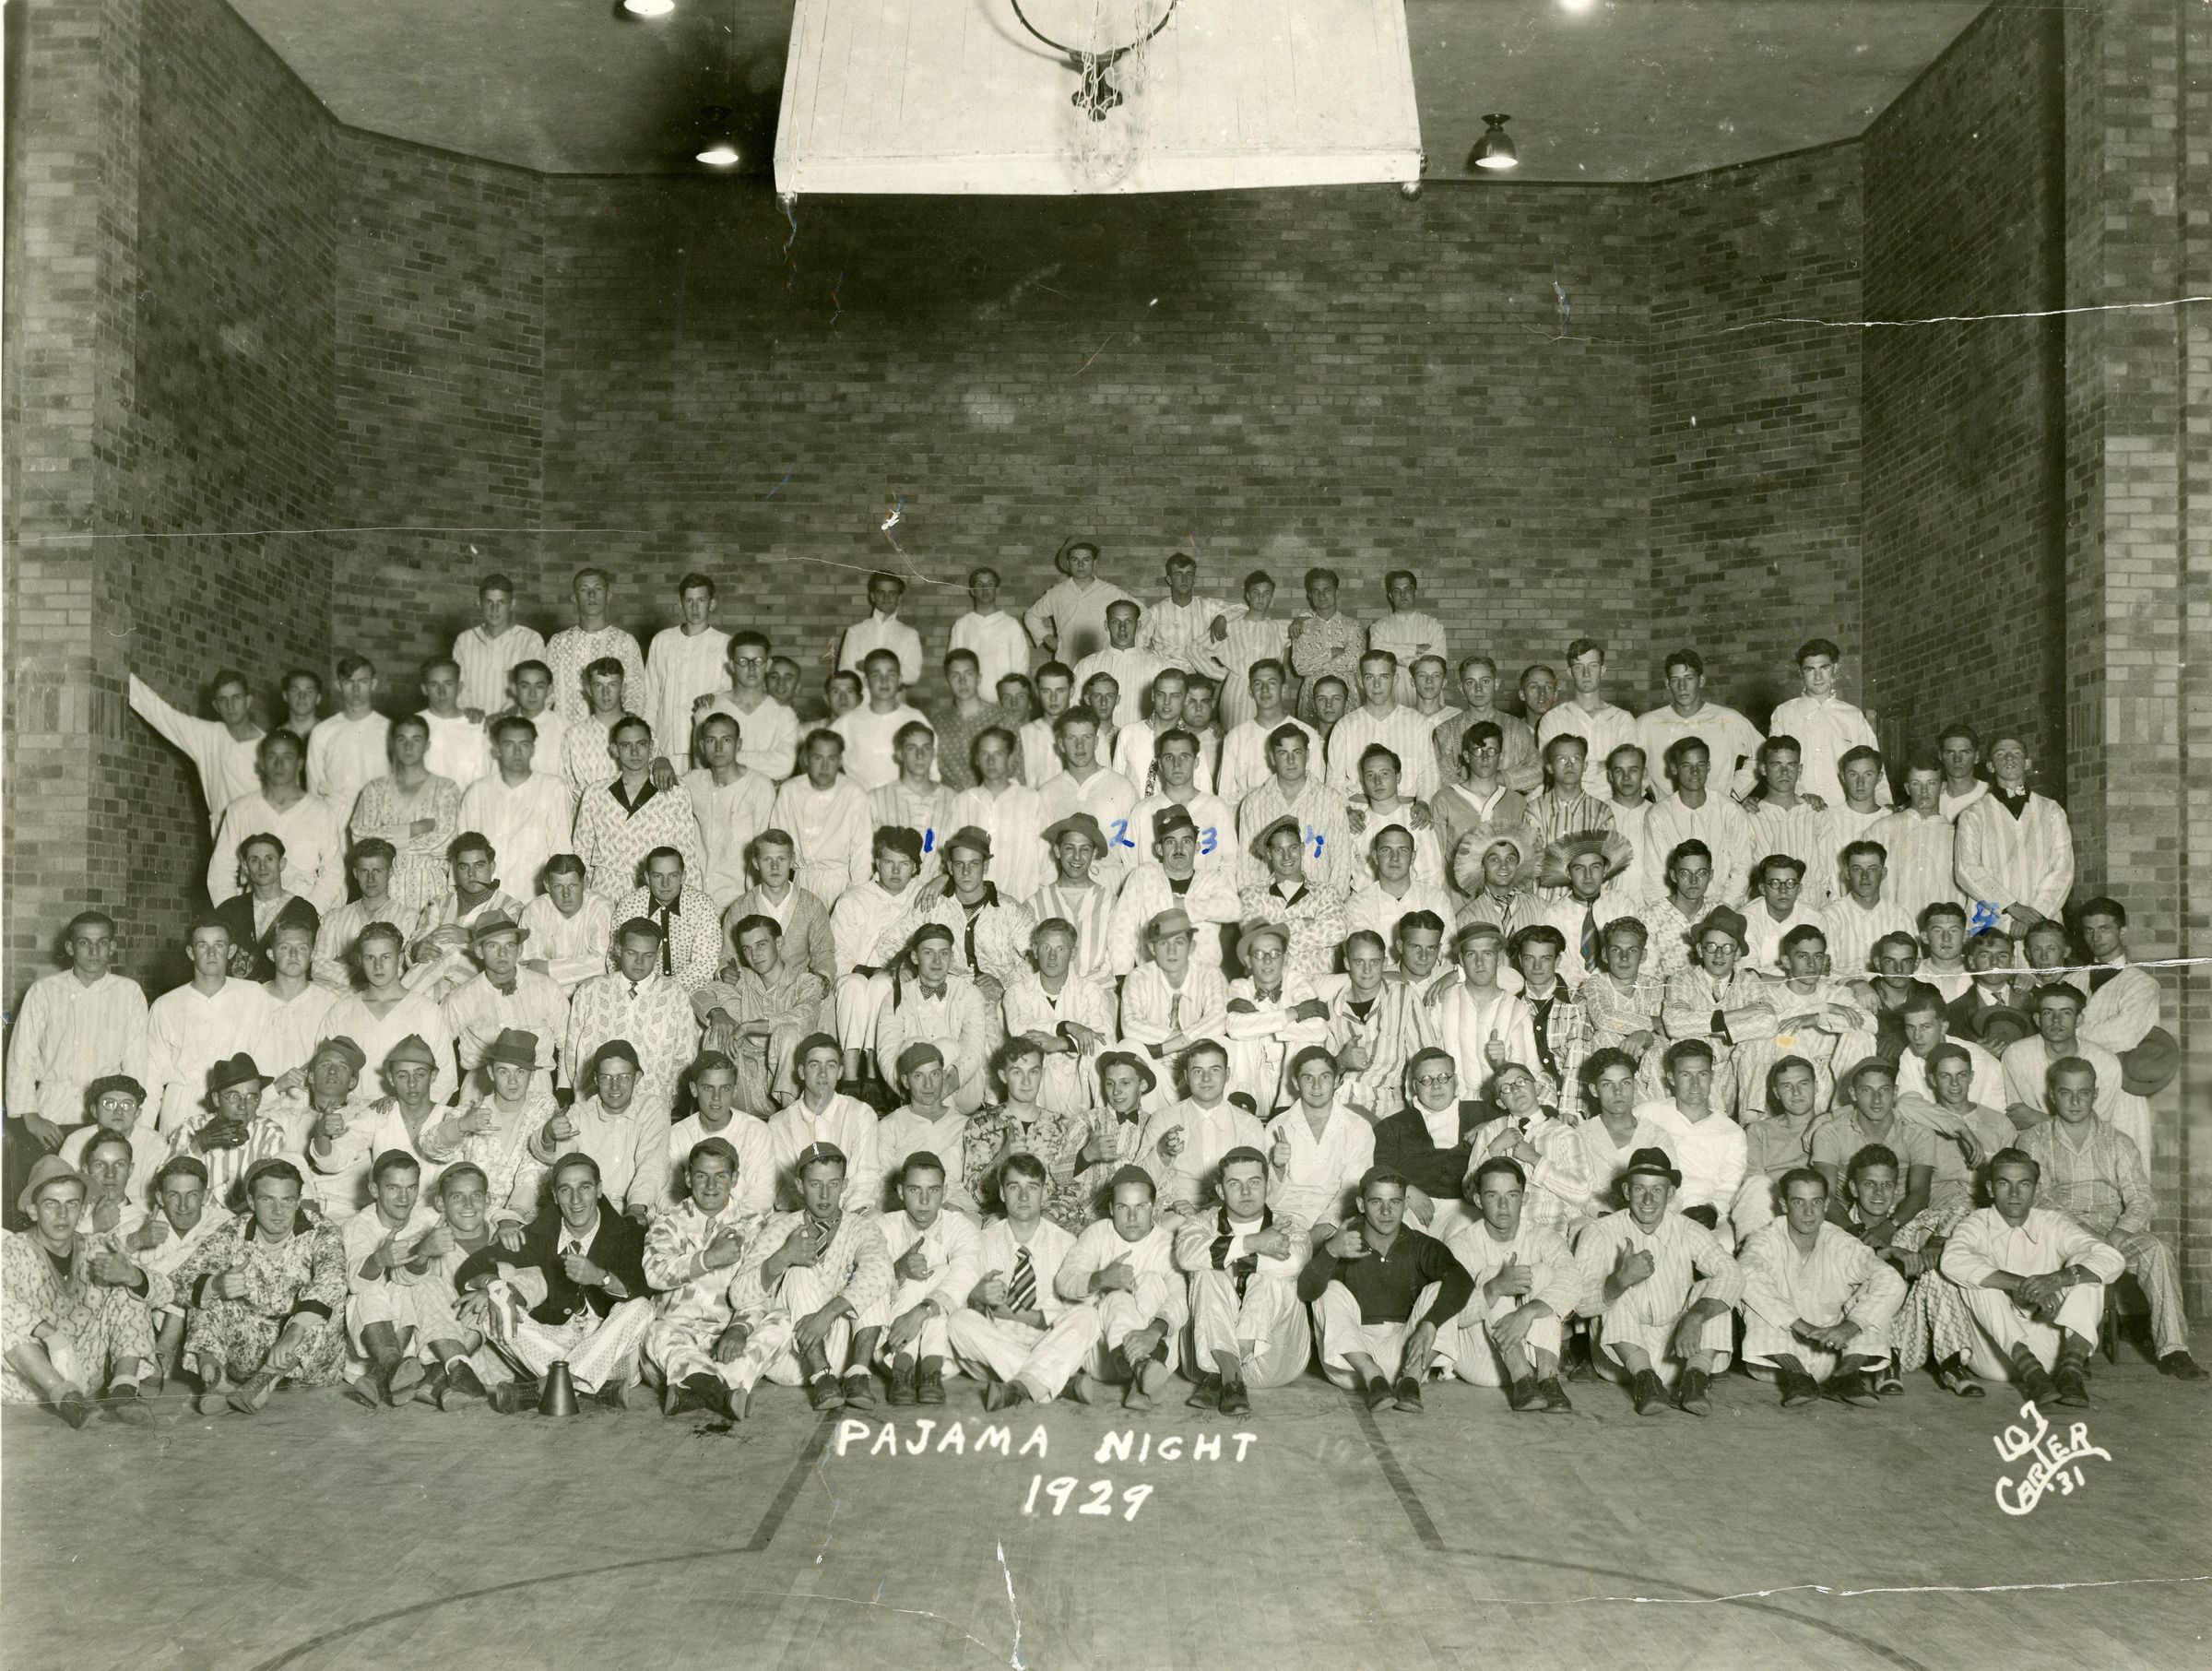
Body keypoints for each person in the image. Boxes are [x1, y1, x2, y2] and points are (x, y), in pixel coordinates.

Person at [2017, 1059, 2198, 1379]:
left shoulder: (2118, 1141)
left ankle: (2174, 1350)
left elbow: (2143, 1197)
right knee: (2070, 1258)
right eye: (2066, 1093)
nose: (2075, 1101)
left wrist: (2115, 1236)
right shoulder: (2033, 1140)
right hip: (2061, 1232)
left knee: (2158, 1250)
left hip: (2112, 1231)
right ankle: (2076, 1351)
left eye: (2084, 1093)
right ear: (2052, 1096)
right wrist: (2085, 1233)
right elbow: (2037, 1197)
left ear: (2096, 1094)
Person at [456, 1151, 657, 1412]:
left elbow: (640, 1289)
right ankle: (587, 1387)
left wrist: (600, 1277)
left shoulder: (626, 1233)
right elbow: (471, 1267)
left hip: (613, 1353)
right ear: (554, 1195)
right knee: (489, 1308)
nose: (576, 1200)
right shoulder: (540, 1235)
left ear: (599, 1190)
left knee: (642, 1307)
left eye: (584, 1187)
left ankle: (551, 1385)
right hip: (552, 1346)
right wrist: (492, 1285)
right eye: (565, 1190)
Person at [1939, 1149, 2125, 1404]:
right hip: (1996, 1357)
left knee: (2088, 1271)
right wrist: (2021, 1285)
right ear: (1991, 1188)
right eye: (2004, 1184)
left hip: (2052, 1352)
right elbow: (1951, 1261)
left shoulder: (2052, 1222)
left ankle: (2072, 1371)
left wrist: (2057, 1279)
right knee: (1977, 1278)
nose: (2014, 1194)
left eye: (2024, 1184)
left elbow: (2112, 1258)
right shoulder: (1976, 1223)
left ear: (2036, 1189)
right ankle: (2031, 1372)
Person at [166, 1158, 349, 1414]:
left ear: (298, 1201)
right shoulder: (234, 1231)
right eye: (267, 1200)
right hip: (247, 1357)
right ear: (251, 1202)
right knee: (205, 1290)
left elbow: (332, 1280)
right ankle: (217, 1379)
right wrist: (216, 1285)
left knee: (326, 1304)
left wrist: (295, 1330)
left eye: (287, 1200)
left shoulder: (322, 1231)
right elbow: (178, 1281)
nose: (278, 1211)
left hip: (305, 1361)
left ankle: (265, 1381)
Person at [1571, 1146, 1744, 1416]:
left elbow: (1732, 1273)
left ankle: (1695, 1379)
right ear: (1626, 1191)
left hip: (1679, 1353)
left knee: (1712, 1290)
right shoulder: (1598, 1231)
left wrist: (1695, 1317)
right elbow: (1580, 1305)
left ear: (1671, 1194)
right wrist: (1619, 1281)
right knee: (1618, 1289)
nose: (1648, 1199)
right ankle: (1646, 1381)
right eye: (1640, 1189)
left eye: (1657, 1190)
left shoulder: (1686, 1228)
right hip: (1621, 1358)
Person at [733, 1143, 893, 1410]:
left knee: (874, 1278)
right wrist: (783, 1256)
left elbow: (881, 1272)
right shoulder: (781, 1229)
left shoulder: (861, 1228)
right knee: (799, 1271)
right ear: (799, 1185)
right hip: (791, 1358)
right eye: (815, 1184)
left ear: (845, 1185)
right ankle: (821, 1376)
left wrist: (827, 1314)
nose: (825, 1194)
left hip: (843, 1356)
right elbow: (738, 1294)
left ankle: (858, 1375)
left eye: (833, 1184)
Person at [3, 1157, 162, 1426]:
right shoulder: (12, 1250)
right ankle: (68, 1399)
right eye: (51, 1204)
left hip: (85, 1370)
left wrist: (131, 1275)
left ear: (83, 1209)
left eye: (72, 1204)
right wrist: (49, 1333)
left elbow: (165, 1292)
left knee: (128, 1286)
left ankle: (123, 1391)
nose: (62, 1214)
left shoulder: (96, 1246)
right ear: (33, 1210)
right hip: (29, 1383)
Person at [1297, 1165, 1472, 1411]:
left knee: (1441, 1289)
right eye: (1376, 1202)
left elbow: (1463, 1280)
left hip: (1406, 1357)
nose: (1386, 1211)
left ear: (1406, 1205)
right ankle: (1374, 1378)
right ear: (1361, 1204)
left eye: (1395, 1202)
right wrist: (1330, 1252)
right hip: (1352, 1364)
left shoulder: (1419, 1244)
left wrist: (1430, 1323)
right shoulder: (1343, 1242)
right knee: (1330, 1289)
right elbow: (1306, 1292)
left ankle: (1410, 1383)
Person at [642, 1136, 789, 1420]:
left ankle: (693, 1387)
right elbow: (654, 1273)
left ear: (734, 1179)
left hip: (728, 1340)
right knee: (654, 1331)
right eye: (701, 1176)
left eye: (720, 1176)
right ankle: (725, 1392)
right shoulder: (668, 1220)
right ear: (688, 1178)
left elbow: (760, 1289)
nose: (710, 1185)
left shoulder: (754, 1224)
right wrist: (709, 1258)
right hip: (679, 1336)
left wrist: (740, 1329)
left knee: (782, 1321)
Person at [1736, 1167, 1904, 1406]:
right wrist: (1799, 1325)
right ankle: (1798, 1378)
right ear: (1784, 1205)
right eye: (1798, 1202)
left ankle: (1846, 1377)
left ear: (1826, 1205)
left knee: (1874, 1293)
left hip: (1834, 1353)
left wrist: (1850, 1327)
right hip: (1775, 1361)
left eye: (1816, 1202)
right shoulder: (1765, 1239)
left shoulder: (1841, 1242)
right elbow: (1746, 1273)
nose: (1808, 1212)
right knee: (1753, 1293)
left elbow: (1891, 1280)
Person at [1172, 1146, 1309, 1413]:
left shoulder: (1290, 1226)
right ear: (1220, 1190)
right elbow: (1187, 1256)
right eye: (1235, 1184)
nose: (1246, 1192)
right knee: (1206, 1271)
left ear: (1269, 1186)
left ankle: (1225, 1370)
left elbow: (1293, 1261)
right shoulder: (1200, 1223)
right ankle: (1231, 1376)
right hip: (1204, 1363)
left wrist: (1233, 1256)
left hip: (1272, 1362)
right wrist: (1255, 1242)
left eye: (1254, 1182)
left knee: (1273, 1277)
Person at [1839, 1144, 1983, 1397]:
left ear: (1896, 1190)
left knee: (1936, 1270)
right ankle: (1886, 1366)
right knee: (1879, 1281)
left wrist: (1937, 1241)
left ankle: (1952, 1365)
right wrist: (1890, 1254)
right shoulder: (1844, 1229)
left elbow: (1961, 1211)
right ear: (1853, 1188)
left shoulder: (1905, 1222)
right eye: (1869, 1184)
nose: (1879, 1193)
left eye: (1886, 1185)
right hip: (1860, 1342)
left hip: (1909, 1341)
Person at [945, 1152, 1083, 1408]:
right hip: (997, 1349)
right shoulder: (981, 1242)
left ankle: (1022, 1385)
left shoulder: (1066, 1243)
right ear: (1001, 1193)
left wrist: (1027, 1317)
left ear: (1044, 1192)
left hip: (1049, 1342)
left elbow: (1076, 1308)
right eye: (1014, 1187)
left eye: (1032, 1187)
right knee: (957, 1322)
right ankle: (1054, 1384)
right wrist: (976, 1297)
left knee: (1088, 1316)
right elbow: (960, 1299)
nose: (1023, 1196)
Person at [6, 911, 148, 1157]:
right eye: (84, 943)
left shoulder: (129, 993)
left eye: (102, 942)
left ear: (112, 947)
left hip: (107, 1118)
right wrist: (30, 1116)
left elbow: (136, 1062)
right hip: (51, 1116)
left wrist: (126, 1118)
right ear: (70, 948)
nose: (94, 951)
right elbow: (22, 1056)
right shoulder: (44, 991)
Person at [1442, 1155, 1578, 1412]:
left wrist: (1527, 1313)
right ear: (1478, 1200)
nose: (1503, 1205)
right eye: (1493, 1196)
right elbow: (1451, 1316)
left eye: (1512, 1195)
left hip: (1534, 1355)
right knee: (1492, 1276)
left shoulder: (1542, 1236)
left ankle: (1549, 1379)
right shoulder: (1461, 1246)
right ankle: (1520, 1375)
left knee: (1545, 1273)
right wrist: (1494, 1289)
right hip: (1483, 1362)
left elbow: (1573, 1283)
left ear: (1524, 1199)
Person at [338, 1149, 469, 1408]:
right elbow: (354, 1282)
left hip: (417, 1343)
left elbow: (475, 1214)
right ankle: (390, 1366)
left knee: (414, 1286)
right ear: (374, 1189)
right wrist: (379, 1259)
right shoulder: (358, 1225)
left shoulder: (428, 1219)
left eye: (411, 1188)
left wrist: (507, 1221)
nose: (403, 1198)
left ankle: (384, 1376)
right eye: (393, 1188)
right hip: (370, 1341)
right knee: (372, 1289)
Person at [1051, 1166, 1189, 1409]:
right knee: (1117, 1298)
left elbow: (1180, 1298)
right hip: (1106, 1358)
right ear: (1111, 1208)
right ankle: (1142, 1370)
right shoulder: (1097, 1234)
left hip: (1160, 1350)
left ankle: (1141, 1374)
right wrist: (1101, 1278)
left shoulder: (1167, 1243)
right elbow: (1064, 1280)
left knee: (1151, 1281)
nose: (1132, 1217)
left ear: (1153, 1207)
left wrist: (1153, 1332)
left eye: (1141, 1206)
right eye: (1123, 1207)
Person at [144, 918, 275, 1139]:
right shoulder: (166, 1004)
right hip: (182, 1108)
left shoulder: (253, 995)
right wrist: (144, 1135)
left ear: (231, 950)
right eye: (202, 945)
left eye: (219, 945)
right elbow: (152, 1076)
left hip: (236, 1104)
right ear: (191, 952)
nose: (211, 953)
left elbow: (265, 1059)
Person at [873, 1150, 982, 1404]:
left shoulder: (960, 1226)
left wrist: (920, 1313)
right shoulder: (883, 1227)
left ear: (944, 1192)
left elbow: (967, 1273)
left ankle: (929, 1369)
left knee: (944, 1272)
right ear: (900, 1192)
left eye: (933, 1190)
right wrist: (899, 1269)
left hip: (945, 1354)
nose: (924, 1200)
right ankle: (903, 1368)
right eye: (914, 1190)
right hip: (888, 1345)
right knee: (910, 1276)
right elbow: (865, 1280)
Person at [421, 1029, 557, 1230]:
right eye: (503, 1071)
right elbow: (430, 1147)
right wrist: (462, 1125)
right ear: (491, 1073)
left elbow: (535, 1170)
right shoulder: (471, 1110)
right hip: (472, 1216)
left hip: (525, 1216)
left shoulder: (542, 1106)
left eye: (520, 1072)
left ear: (532, 1075)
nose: (512, 1080)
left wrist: (511, 1217)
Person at [692, 916, 828, 1115]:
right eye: (747, 949)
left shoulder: (806, 982)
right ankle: (714, 1117)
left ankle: (792, 1121)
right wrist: (717, 1013)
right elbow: (699, 994)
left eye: (761, 945)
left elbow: (804, 1016)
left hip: (787, 1086)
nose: (754, 955)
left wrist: (748, 1027)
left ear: (779, 943)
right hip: (744, 1085)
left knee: (788, 1033)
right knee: (717, 1031)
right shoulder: (742, 979)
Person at [566, 918, 696, 1120]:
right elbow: (572, 1054)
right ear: (618, 949)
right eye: (632, 953)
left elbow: (685, 1057)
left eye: (648, 955)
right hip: (595, 1109)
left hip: (652, 1109)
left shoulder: (675, 994)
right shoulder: (589, 990)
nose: (639, 962)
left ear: (658, 954)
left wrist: (668, 1103)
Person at [573, 717, 709, 907]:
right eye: (626, 745)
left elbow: (686, 852)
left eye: (641, 744)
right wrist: (583, 901)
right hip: (607, 889)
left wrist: (693, 904)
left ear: (651, 747)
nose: (635, 752)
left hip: (656, 890)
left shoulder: (674, 791)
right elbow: (581, 851)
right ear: (614, 749)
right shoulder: (595, 793)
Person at [210, 730, 346, 916]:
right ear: (262, 763)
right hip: (255, 913)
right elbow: (220, 872)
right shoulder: (240, 810)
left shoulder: (321, 812)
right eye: (272, 756)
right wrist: (234, 916)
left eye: (287, 757)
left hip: (305, 914)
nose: (279, 764)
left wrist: (305, 914)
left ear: (300, 763)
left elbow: (333, 873)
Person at [1954, 734, 2075, 941]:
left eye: (2016, 753)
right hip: (1991, 921)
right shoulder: (1974, 814)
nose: (2009, 758)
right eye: (2000, 754)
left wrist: (2034, 915)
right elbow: (1967, 869)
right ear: (1990, 766)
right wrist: (2012, 907)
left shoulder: (2051, 810)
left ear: (2027, 763)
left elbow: (2063, 869)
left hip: (2041, 921)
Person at [2002, 983, 2142, 1151]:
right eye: (2048, 1012)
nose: (2056, 1020)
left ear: (2079, 1020)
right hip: (2035, 1147)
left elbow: (2096, 1130)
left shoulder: (2105, 1062)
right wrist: (2065, 1123)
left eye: (2066, 1013)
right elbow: (2020, 1119)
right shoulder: (2017, 1054)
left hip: (2088, 1150)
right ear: (2037, 1019)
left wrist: (2038, 1118)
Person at [1809, 1060, 1936, 1243]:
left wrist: (1888, 1228)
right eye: (1867, 1090)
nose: (1876, 1100)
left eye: (1884, 1090)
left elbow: (1920, 1193)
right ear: (1853, 1093)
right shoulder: (1829, 1133)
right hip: (1846, 1220)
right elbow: (1825, 1194)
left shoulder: (1919, 1134)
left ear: (1895, 1092)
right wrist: (1853, 1232)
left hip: (1902, 1220)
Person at [1001, 918, 1117, 1117]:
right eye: (1046, 948)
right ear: (1035, 950)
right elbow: (1020, 1030)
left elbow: (1102, 1036)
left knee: (1102, 1048)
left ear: (1073, 953)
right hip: (1041, 1084)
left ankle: (1105, 1121)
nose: (1052, 956)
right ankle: (1036, 1123)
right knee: (1026, 1054)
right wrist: (1068, 1026)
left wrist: (1061, 1043)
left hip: (1081, 1083)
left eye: (1061, 949)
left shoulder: (1090, 990)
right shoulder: (1017, 991)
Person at [128, 666, 264, 833]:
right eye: (223, 699)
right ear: (215, 706)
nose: (230, 705)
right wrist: (125, 676)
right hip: (224, 835)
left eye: (236, 697)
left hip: (261, 833)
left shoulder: (268, 746)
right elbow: (162, 714)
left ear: (248, 701)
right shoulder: (205, 735)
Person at [1263, 1048, 1377, 1245]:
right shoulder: (1277, 1126)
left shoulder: (1358, 1127)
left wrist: (1321, 1231)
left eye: (1324, 1077)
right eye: (1308, 1078)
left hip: (1336, 1221)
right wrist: (1277, 1167)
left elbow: (1353, 1189)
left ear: (1337, 1081)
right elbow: (1266, 1195)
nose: (1316, 1086)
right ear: (1295, 1083)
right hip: (1284, 1217)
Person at [1636, 1041, 1747, 1238]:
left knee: (1725, 1245)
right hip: (1652, 1208)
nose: (1695, 1084)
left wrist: (1712, 1209)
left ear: (1712, 1076)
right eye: (1686, 1075)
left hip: (1707, 1216)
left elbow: (1731, 1184)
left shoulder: (1732, 1132)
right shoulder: (1647, 1114)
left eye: (1702, 1074)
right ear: (1671, 1078)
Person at [461, 715, 573, 903]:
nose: (517, 752)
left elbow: (561, 850)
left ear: (533, 749)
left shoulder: (553, 788)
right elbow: (463, 853)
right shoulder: (477, 792)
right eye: (509, 744)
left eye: (524, 744)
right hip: (486, 900)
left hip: (534, 901)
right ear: (497, 750)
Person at [1768, 638, 1884, 810]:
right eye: (1810, 669)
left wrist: (1884, 804)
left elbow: (1873, 766)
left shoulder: (1853, 716)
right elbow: (1775, 765)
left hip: (1845, 811)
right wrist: (1801, 795)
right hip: (1800, 808)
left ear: (1835, 668)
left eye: (1824, 668)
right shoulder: (1784, 713)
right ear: (1800, 672)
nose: (1818, 677)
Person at [769, 1037, 883, 1209]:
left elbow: (866, 1176)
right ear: (801, 1072)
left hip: (852, 1211)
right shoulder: (779, 1124)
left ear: (840, 1072)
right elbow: (786, 1186)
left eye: (830, 1066)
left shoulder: (861, 1113)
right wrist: (812, 1217)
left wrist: (850, 1217)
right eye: (814, 1065)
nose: (823, 1074)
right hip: (801, 1214)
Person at [1635, 649, 1762, 801]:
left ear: (1701, 681)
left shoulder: (1729, 719)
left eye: (1689, 678)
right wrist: (1649, 790)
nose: (1682, 686)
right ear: (1667, 684)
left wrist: (1736, 792)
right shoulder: (1647, 723)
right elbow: (1624, 762)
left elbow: (1763, 755)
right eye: (1675, 679)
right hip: (1667, 809)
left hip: (1717, 809)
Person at [1643, 738, 1755, 907]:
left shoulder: (1730, 810)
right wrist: (1670, 914)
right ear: (1674, 768)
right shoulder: (1658, 815)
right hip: (1676, 909)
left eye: (1700, 764)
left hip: (1724, 908)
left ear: (1708, 767)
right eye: (1686, 765)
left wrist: (1723, 910)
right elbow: (1655, 876)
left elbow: (1743, 868)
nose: (1695, 771)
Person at [1239, 815, 1349, 985]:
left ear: (1302, 848)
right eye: (1278, 850)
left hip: (1320, 985)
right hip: (1273, 987)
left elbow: (1338, 930)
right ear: (1268, 853)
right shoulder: (1252, 894)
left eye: (1293, 848)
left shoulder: (1326, 892)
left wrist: (1278, 930)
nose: (1287, 857)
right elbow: (1256, 942)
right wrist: (1305, 923)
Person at [1533, 638, 1638, 802]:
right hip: (1567, 805)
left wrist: (1576, 767)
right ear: (1570, 672)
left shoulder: (1623, 719)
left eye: (1593, 666)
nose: (1586, 673)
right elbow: (1551, 773)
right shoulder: (1552, 719)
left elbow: (1628, 771)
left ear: (1603, 669)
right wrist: (1605, 766)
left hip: (1613, 806)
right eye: (1578, 667)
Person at [645, 573, 731, 771]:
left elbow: (730, 695)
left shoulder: (725, 644)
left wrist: (715, 698)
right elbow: (650, 697)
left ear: (712, 604)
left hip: (707, 747)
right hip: (667, 746)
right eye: (689, 601)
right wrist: (653, 749)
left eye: (701, 600)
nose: (694, 607)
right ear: (680, 603)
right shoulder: (662, 640)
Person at [876, 1046, 977, 1214]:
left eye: (935, 1074)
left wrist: (952, 1210)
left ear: (943, 1076)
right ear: (906, 1081)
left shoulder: (966, 1126)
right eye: (918, 1076)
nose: (928, 1084)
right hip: (905, 1213)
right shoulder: (890, 1125)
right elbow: (881, 1187)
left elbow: (976, 1189)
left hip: (954, 1214)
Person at [546, 567, 648, 726]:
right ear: (574, 598)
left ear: (608, 596)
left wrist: (626, 728)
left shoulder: (624, 641)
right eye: (584, 589)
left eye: (598, 589)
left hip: (609, 733)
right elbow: (546, 691)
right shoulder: (558, 642)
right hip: (564, 732)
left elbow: (635, 692)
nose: (591, 595)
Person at [518, 853, 620, 998]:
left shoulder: (601, 908)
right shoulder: (535, 910)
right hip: (546, 995)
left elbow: (603, 963)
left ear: (584, 882)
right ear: (547, 885)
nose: (566, 894)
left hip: (591, 995)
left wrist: (548, 968)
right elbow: (530, 968)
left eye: (573, 885)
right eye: (558, 886)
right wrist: (580, 975)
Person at [1025, 538, 1136, 666]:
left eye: (1086, 560)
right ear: (1068, 563)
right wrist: (1048, 639)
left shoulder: (1111, 592)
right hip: (1067, 662)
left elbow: (1143, 614)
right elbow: (1031, 616)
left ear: (1094, 562)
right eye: (1075, 560)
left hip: (1101, 662)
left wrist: (1122, 644)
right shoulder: (1057, 592)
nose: (1080, 564)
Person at [949, 565, 1031, 693]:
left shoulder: (1011, 625)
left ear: (997, 590)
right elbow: (954, 667)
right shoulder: (961, 625)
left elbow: (1021, 668)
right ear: (972, 591)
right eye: (979, 584)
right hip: (970, 698)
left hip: (1002, 698)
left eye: (990, 584)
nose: (985, 588)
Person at [416, 659, 488, 791]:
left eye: (448, 684)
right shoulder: (413, 725)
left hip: (466, 802)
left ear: (459, 687)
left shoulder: (478, 725)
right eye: (434, 685)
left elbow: (487, 776)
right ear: (424, 689)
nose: (442, 692)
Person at [1935, 721, 1987, 821]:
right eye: (1950, 752)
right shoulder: (1932, 798)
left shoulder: (1988, 793)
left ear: (1976, 757)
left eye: (1965, 752)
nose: (1957, 759)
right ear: (1940, 756)